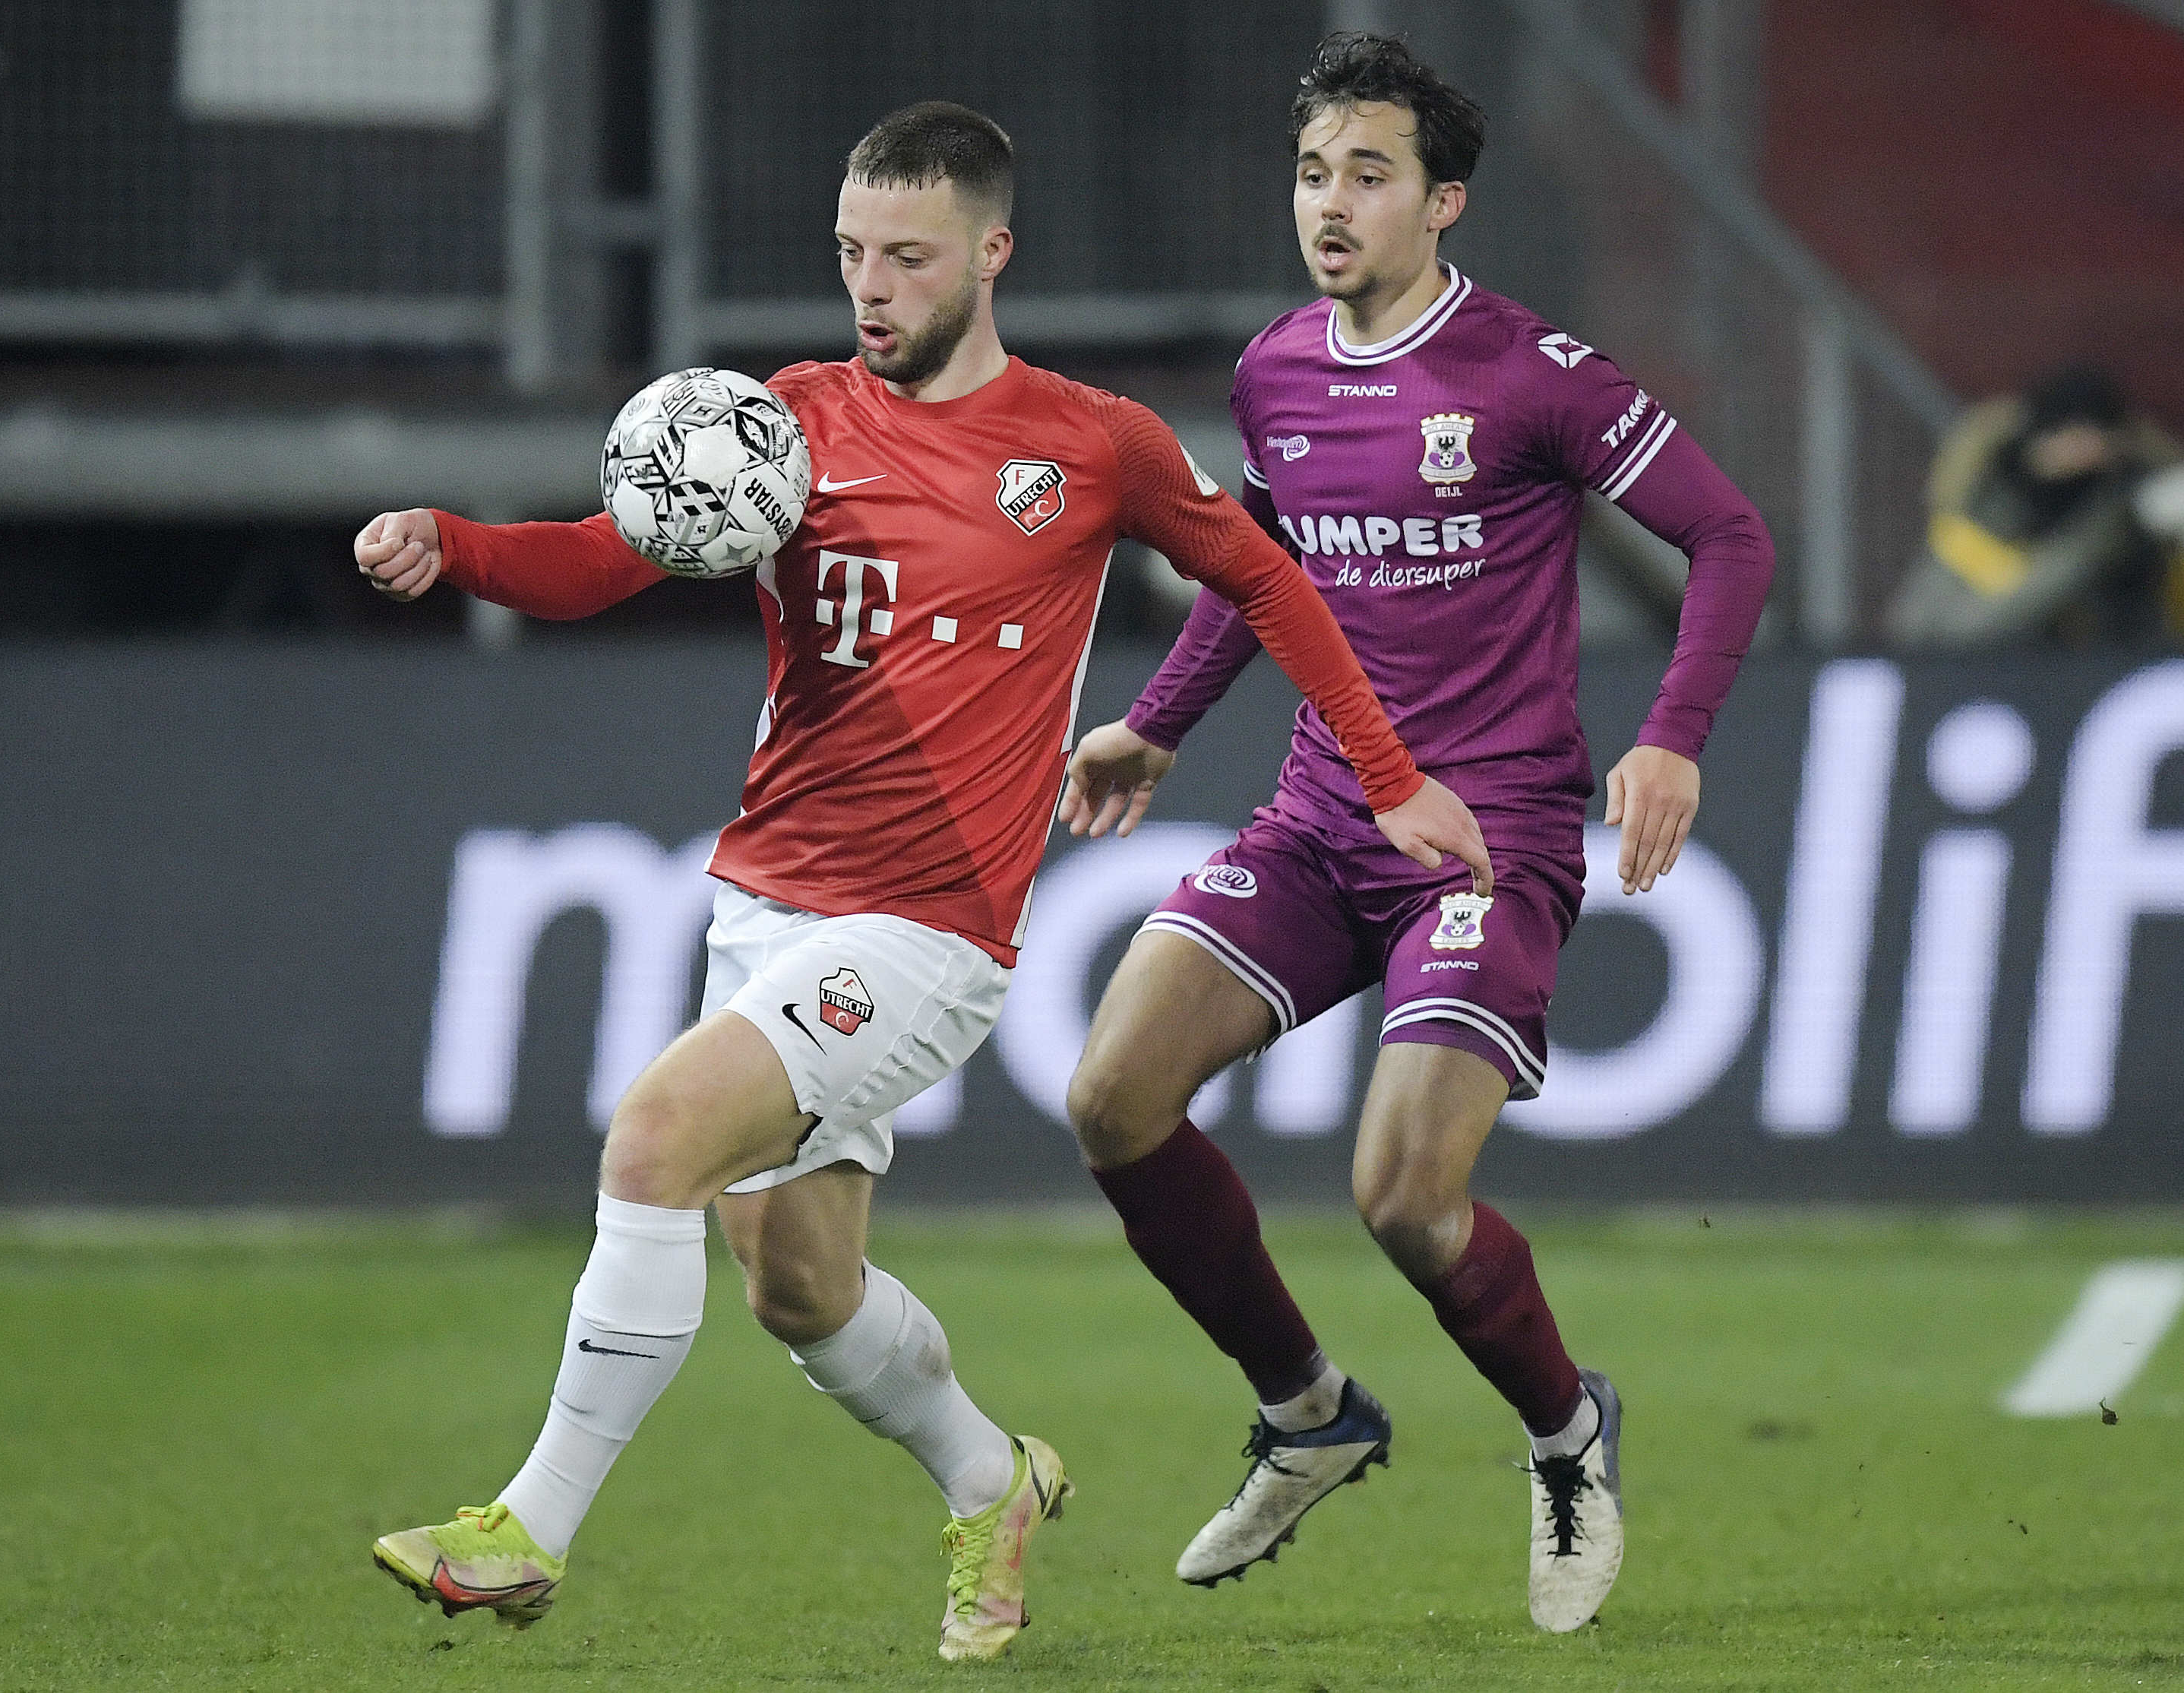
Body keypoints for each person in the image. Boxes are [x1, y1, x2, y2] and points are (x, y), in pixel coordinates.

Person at [351, 101, 1490, 1662]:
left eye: (907, 257)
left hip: (928, 929)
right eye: (850, 254)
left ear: (990, 253)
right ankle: (988, 1475)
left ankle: (527, 1529)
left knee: (656, 1136)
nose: (870, 288)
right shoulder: (783, 422)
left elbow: (1264, 578)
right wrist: (457, 544)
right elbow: (602, 558)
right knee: (797, 1282)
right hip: (762, 906)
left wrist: (1390, 773)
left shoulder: (1093, 445)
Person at [1057, 34, 1775, 1634]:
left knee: (1399, 1193)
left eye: (1369, 175)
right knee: (1110, 1096)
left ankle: (1565, 1429)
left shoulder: (1534, 372)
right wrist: (1155, 724)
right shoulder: (1275, 370)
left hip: (1486, 840)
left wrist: (1671, 735)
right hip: (1325, 820)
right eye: (1313, 172)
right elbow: (1259, 568)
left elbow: (1729, 535)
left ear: (1443, 201)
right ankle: (1308, 1410)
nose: (1330, 203)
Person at [1885, 364, 2184, 650]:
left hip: (2105, 653)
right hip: (1968, 645)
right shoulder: (1989, 489)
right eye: (2070, 437)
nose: (2080, 451)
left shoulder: (2121, 502)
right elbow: (1933, 621)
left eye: (2092, 438)